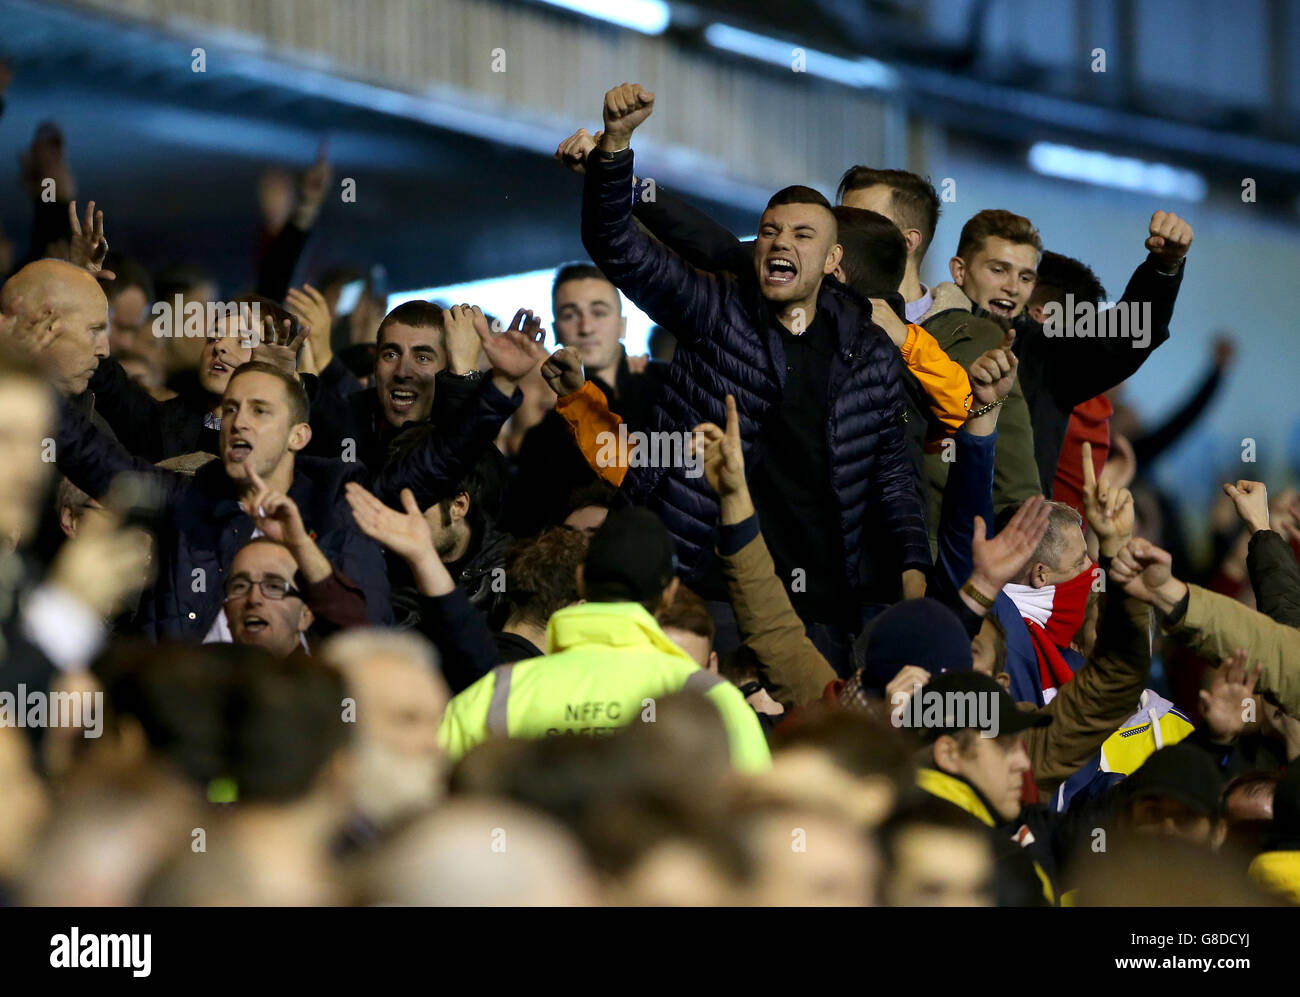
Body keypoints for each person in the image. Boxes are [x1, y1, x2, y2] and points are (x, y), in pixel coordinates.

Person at [579, 84, 930, 663]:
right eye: (769, 231)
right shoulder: (713, 307)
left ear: (833, 260)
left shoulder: (869, 351)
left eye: (801, 234)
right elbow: (615, 244)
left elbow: (892, 470)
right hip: (704, 592)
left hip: (820, 608)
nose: (779, 243)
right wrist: (616, 146)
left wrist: (915, 570)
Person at [437, 506, 771, 772]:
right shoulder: (713, 702)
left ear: (581, 579)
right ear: (669, 594)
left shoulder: (494, 696)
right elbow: (754, 825)